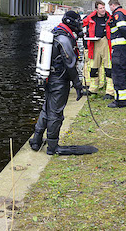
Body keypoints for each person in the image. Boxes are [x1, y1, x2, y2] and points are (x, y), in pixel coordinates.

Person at [29, 11, 97, 156]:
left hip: (50, 78)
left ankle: (36, 140)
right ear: (70, 22)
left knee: (46, 109)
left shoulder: (56, 33)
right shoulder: (64, 39)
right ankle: (53, 146)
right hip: (59, 81)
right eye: (78, 22)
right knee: (56, 114)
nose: (80, 25)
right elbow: (70, 65)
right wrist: (78, 85)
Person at [82, 0, 116, 99]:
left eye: (104, 8)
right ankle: (93, 89)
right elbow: (81, 25)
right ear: (96, 9)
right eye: (101, 8)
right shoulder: (91, 18)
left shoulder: (109, 18)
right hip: (94, 43)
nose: (103, 10)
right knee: (93, 68)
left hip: (105, 42)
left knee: (108, 68)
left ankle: (110, 92)